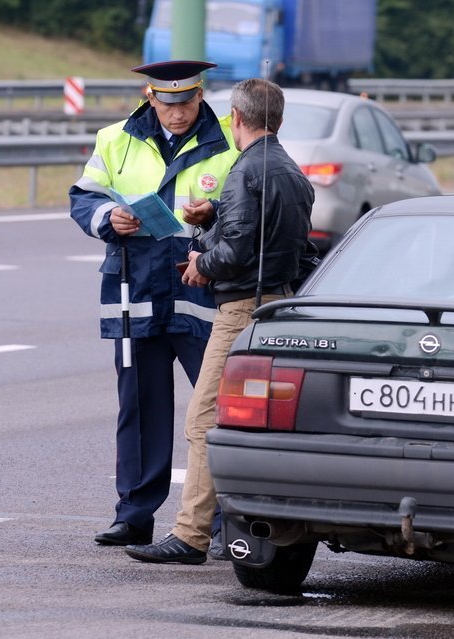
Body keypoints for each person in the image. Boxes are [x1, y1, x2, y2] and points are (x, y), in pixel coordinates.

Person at [126, 77, 318, 565]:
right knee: (253, 425)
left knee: (204, 421)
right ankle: (243, 527)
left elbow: (237, 249)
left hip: (239, 311)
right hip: (279, 305)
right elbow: (286, 247)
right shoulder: (291, 172)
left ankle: (191, 535)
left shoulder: (246, 170)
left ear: (236, 117)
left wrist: (199, 262)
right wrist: (213, 215)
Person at [69, 60, 239, 547]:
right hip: (135, 288)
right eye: (168, 104)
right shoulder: (115, 138)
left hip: (200, 290)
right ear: (150, 97)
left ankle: (229, 519)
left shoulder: (228, 139)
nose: (178, 114)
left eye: (186, 103)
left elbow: (250, 203)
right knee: (139, 408)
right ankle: (134, 514)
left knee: (218, 411)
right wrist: (108, 217)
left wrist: (215, 212)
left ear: (200, 96)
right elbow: (84, 196)